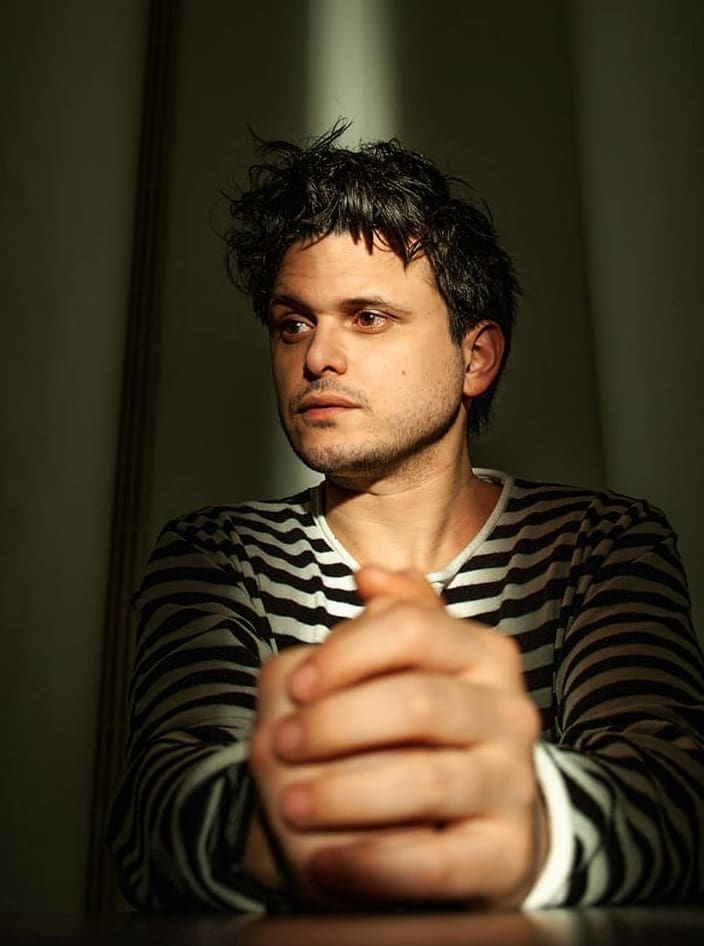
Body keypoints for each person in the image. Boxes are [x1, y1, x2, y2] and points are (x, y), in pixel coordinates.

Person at [106, 124, 704, 912]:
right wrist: (288, 821)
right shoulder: (220, 554)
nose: (316, 357)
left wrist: (526, 829)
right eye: (293, 323)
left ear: (475, 357)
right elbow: (156, 815)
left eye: (368, 317)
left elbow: (675, 794)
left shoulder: (597, 544)